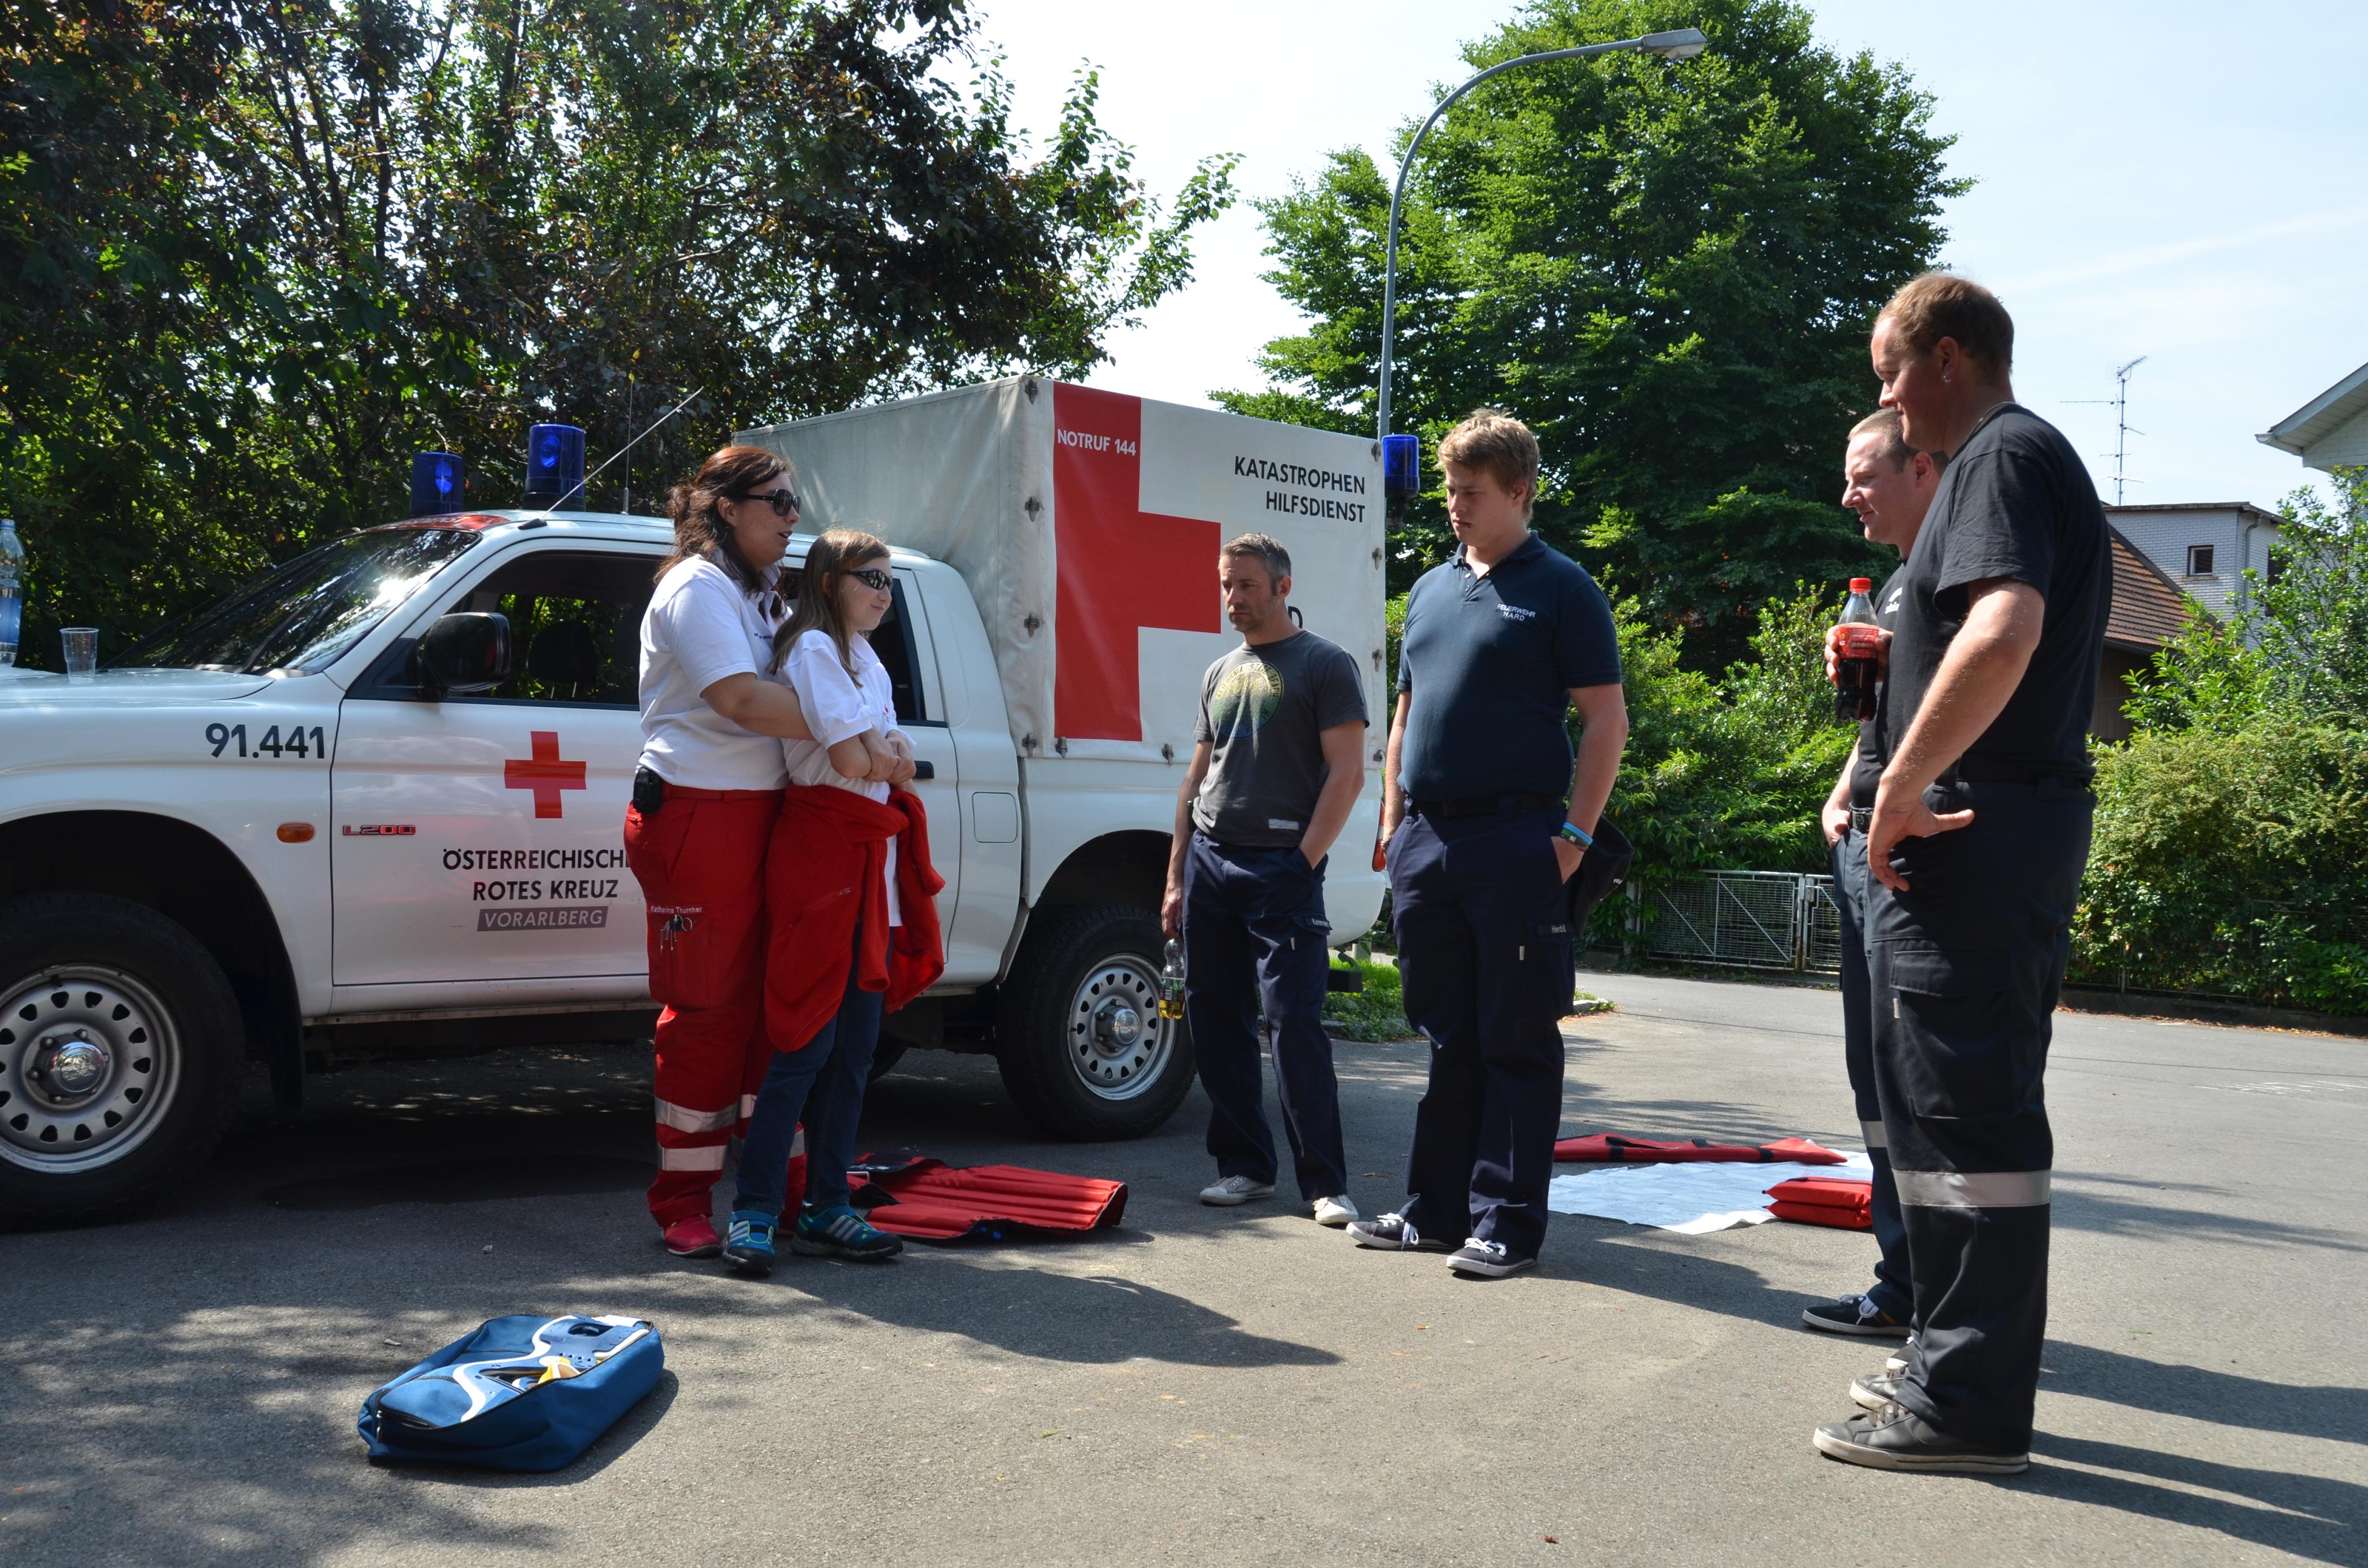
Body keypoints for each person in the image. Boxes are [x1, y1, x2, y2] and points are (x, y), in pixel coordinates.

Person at [1812, 273, 2108, 1475]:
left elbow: (2002, 629)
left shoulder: (1998, 453)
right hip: (1987, 832)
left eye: (1890, 373)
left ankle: (1969, 1407)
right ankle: (1946, 1367)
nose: (1888, 399)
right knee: (1942, 1119)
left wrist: (1899, 780)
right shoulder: (2011, 459)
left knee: (1966, 1121)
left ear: (1944, 357)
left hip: (1974, 836)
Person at [1348, 409, 1627, 1279]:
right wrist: (1393, 819)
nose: (1454, 505)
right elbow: (1404, 712)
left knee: (1516, 1037)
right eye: (1449, 489)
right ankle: (1434, 1213)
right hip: (1427, 838)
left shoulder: (1564, 588)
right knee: (1447, 1035)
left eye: (1471, 491)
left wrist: (1574, 836)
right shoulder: (1430, 589)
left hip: (1516, 837)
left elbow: (1606, 721)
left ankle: (1506, 1223)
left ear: (1520, 491)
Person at [723, 528, 944, 1275]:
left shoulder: (866, 658)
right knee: (803, 1048)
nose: (883, 592)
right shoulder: (814, 648)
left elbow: (893, 758)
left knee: (854, 1053)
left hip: (866, 865)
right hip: (821, 861)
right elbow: (853, 758)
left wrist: (880, 754)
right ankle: (754, 1212)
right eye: (869, 578)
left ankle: (825, 1208)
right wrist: (880, 754)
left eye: (889, 581)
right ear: (828, 582)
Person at [626, 446, 820, 1259]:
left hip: (763, 813)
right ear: (728, 509)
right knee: (708, 1013)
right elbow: (740, 700)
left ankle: (778, 1189)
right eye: (778, 501)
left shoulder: (762, 593)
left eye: (795, 502)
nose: (793, 517)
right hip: (700, 816)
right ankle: (682, 1202)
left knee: (777, 1010)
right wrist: (851, 719)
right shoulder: (697, 587)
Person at [1160, 532, 1369, 1225]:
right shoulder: (1220, 671)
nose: (1233, 599)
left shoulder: (1325, 664)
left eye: (1246, 585)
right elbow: (1195, 778)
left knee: (1293, 1025)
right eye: (1226, 585)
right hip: (1210, 861)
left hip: (1282, 864)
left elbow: (1347, 775)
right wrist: (1176, 877)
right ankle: (1245, 1167)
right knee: (1216, 1022)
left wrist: (1302, 862)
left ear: (1283, 586)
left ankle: (1325, 1185)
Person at [1803, 408, 1945, 1340]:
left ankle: (1941, 1300)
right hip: (1859, 845)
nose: (1848, 494)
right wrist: (1842, 789)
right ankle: (1901, 1286)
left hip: (1911, 859)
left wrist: (1888, 797)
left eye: (1864, 476)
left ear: (1921, 471)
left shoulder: (1955, 575)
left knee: (1916, 1079)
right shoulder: (1892, 586)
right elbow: (1884, 722)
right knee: (1874, 1079)